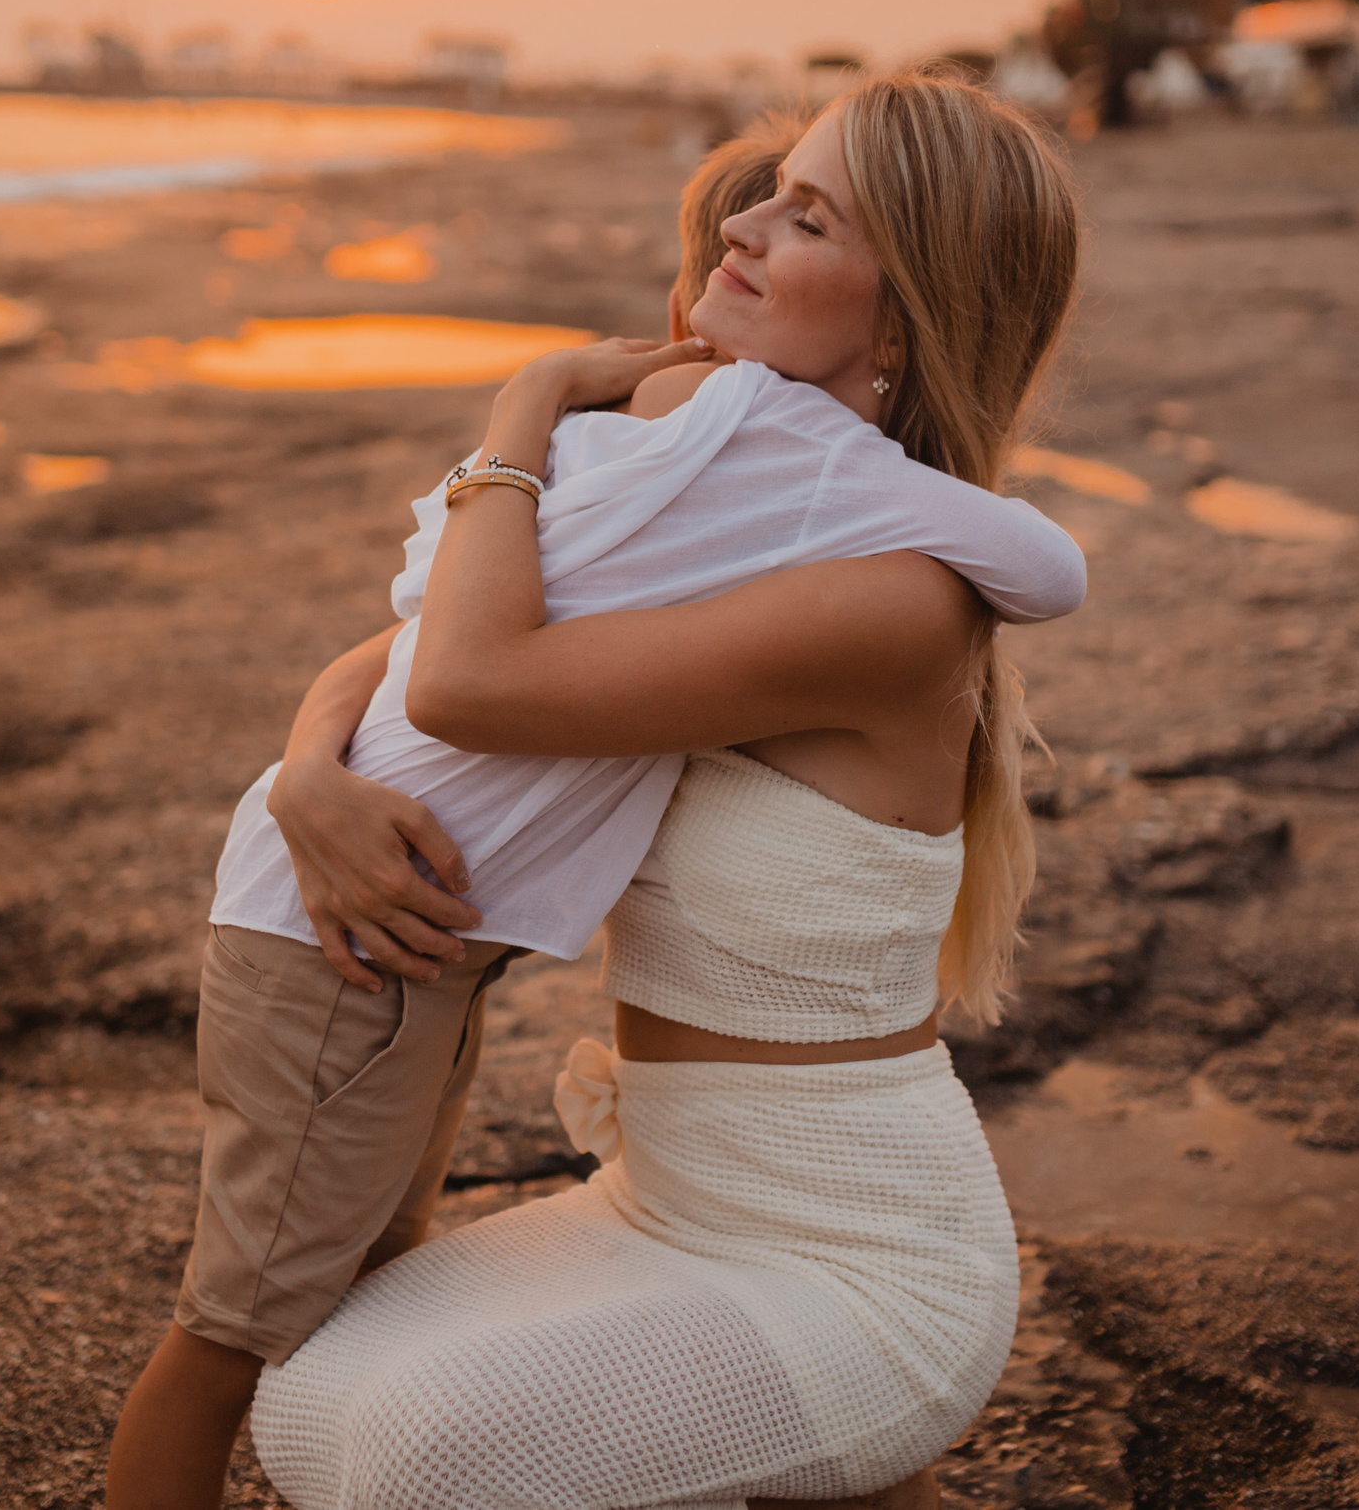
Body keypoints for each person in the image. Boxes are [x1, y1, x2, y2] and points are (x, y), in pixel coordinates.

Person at [104, 80, 1082, 1510]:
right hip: (659, 1202)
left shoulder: (894, 601)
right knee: (311, 1406)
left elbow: (469, 681)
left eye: (810, 219)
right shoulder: (717, 515)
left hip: (853, 1256)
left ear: (898, 325)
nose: (744, 226)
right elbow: (404, 653)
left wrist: (525, 409)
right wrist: (309, 777)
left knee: (423, 1458)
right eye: (767, 197)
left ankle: (850, 1448)